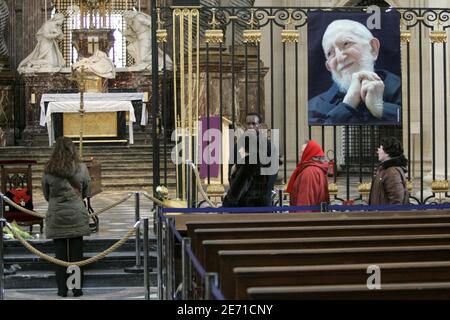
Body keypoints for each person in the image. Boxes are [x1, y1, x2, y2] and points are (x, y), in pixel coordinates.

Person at [308, 19, 401, 125]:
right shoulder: (313, 107)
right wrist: (347, 105)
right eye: (330, 53)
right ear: (329, 66)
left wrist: (381, 109)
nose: (340, 58)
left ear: (373, 48)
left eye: (346, 43)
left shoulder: (405, 90)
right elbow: (316, 139)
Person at [42, 137, 91, 297]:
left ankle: (62, 290)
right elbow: (86, 192)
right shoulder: (81, 167)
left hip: (57, 215)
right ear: (73, 150)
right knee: (77, 255)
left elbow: (46, 194)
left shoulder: (48, 169)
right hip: (76, 213)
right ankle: (77, 289)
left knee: (60, 256)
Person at [223, 131, 270, 207]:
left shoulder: (247, 164)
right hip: (259, 207)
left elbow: (234, 196)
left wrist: (225, 203)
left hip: (246, 209)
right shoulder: (260, 161)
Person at [286, 140, 330, 207]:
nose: (300, 154)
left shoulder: (309, 172)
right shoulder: (316, 169)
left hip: (306, 216)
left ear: (310, 152)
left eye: (303, 151)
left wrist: (301, 216)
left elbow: (304, 203)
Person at [369, 136, 409, 205]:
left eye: (380, 148)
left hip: (386, 215)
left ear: (387, 152)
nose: (378, 151)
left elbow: (397, 200)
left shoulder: (392, 172)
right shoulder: (385, 170)